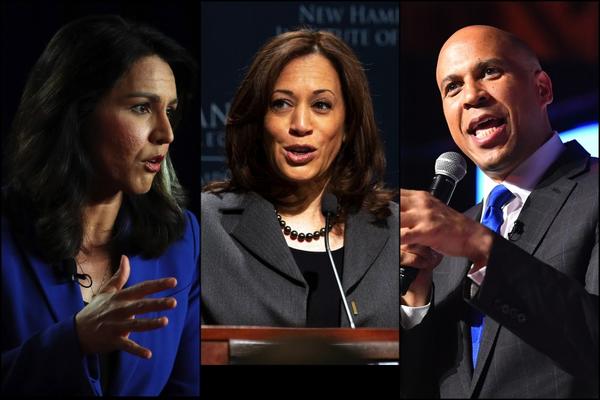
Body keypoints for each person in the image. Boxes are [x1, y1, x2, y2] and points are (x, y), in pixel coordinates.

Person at [1, 15, 199, 396]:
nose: (166, 133)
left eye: (170, 111)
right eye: (142, 108)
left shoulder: (183, 240)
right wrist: (73, 340)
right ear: (76, 113)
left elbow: (186, 387)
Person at [400, 25, 598, 398]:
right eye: (452, 87)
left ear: (542, 89)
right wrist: (415, 302)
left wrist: (481, 247)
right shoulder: (449, 236)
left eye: (489, 72)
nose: (472, 95)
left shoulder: (593, 193)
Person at [201, 29, 399, 328]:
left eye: (321, 105)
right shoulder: (207, 226)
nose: (300, 124)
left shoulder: (395, 228)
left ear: (347, 125)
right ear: (259, 119)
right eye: (281, 104)